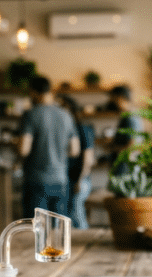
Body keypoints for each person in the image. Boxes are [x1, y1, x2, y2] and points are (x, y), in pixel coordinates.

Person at [18, 76, 80, 217]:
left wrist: (15, 145)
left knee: (36, 232)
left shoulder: (31, 115)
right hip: (61, 180)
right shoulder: (66, 115)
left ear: (33, 92)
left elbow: (23, 149)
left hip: (37, 181)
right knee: (59, 230)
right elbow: (74, 151)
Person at [57, 95, 96, 229]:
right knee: (68, 215)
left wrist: (80, 180)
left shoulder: (82, 129)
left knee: (77, 214)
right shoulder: (65, 130)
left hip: (80, 179)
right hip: (66, 179)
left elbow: (88, 158)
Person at [107, 84, 142, 178]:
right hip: (122, 169)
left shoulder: (131, 118)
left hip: (125, 171)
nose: (111, 101)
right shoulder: (127, 117)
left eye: (113, 98)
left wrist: (112, 148)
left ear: (121, 98)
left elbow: (132, 146)